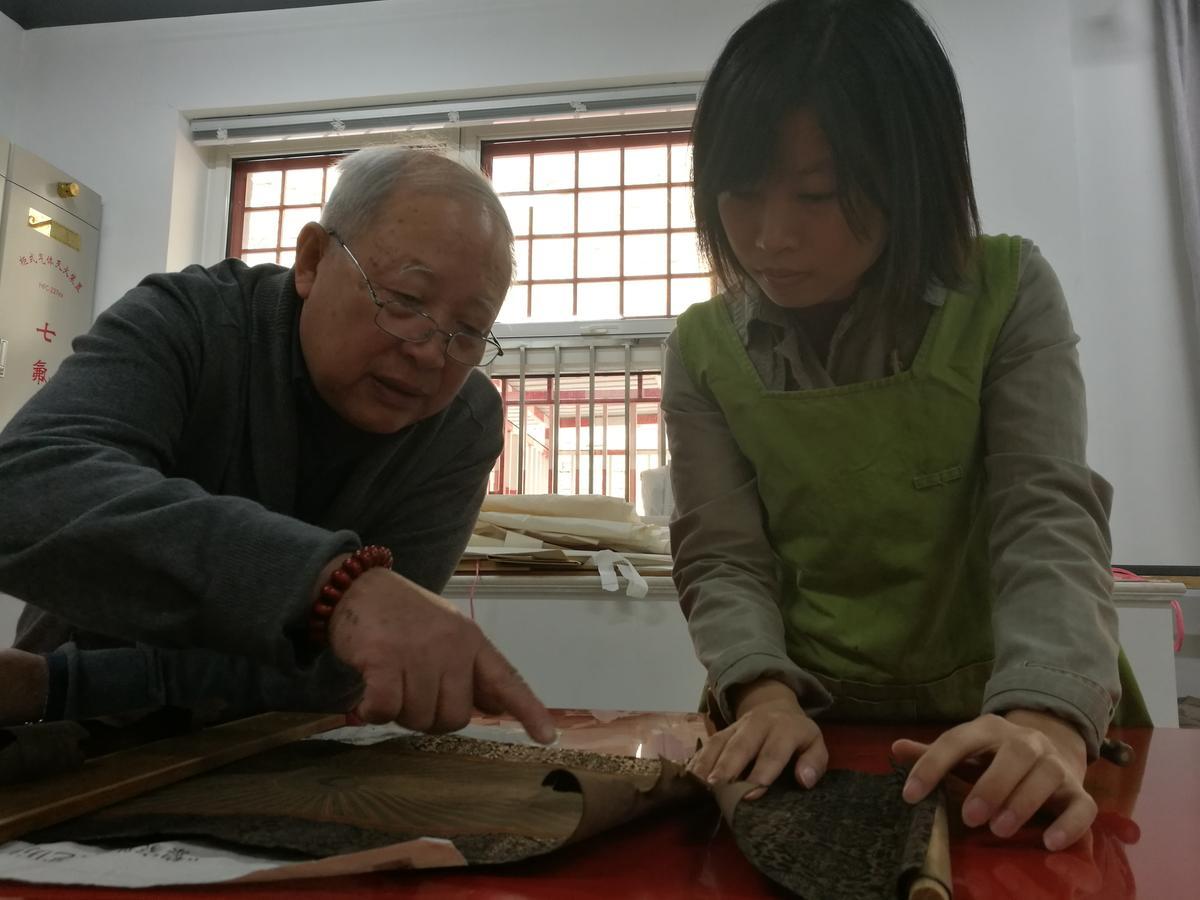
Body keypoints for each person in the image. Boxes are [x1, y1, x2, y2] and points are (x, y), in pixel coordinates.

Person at [665, 0, 1149, 853]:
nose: (770, 238)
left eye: (816, 194)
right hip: (812, 728)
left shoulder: (1007, 290)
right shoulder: (704, 347)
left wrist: (1046, 717)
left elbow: (1044, 516)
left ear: (908, 172)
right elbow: (723, 556)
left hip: (1016, 717)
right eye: (739, 194)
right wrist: (762, 694)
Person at [0, 147, 555, 745]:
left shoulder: (462, 425)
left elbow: (338, 675)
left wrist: (71, 681)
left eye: (469, 330)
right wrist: (331, 589)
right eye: (405, 299)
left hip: (268, 747)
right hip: (53, 733)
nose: (430, 351)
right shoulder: (190, 322)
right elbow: (26, 487)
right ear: (312, 260)